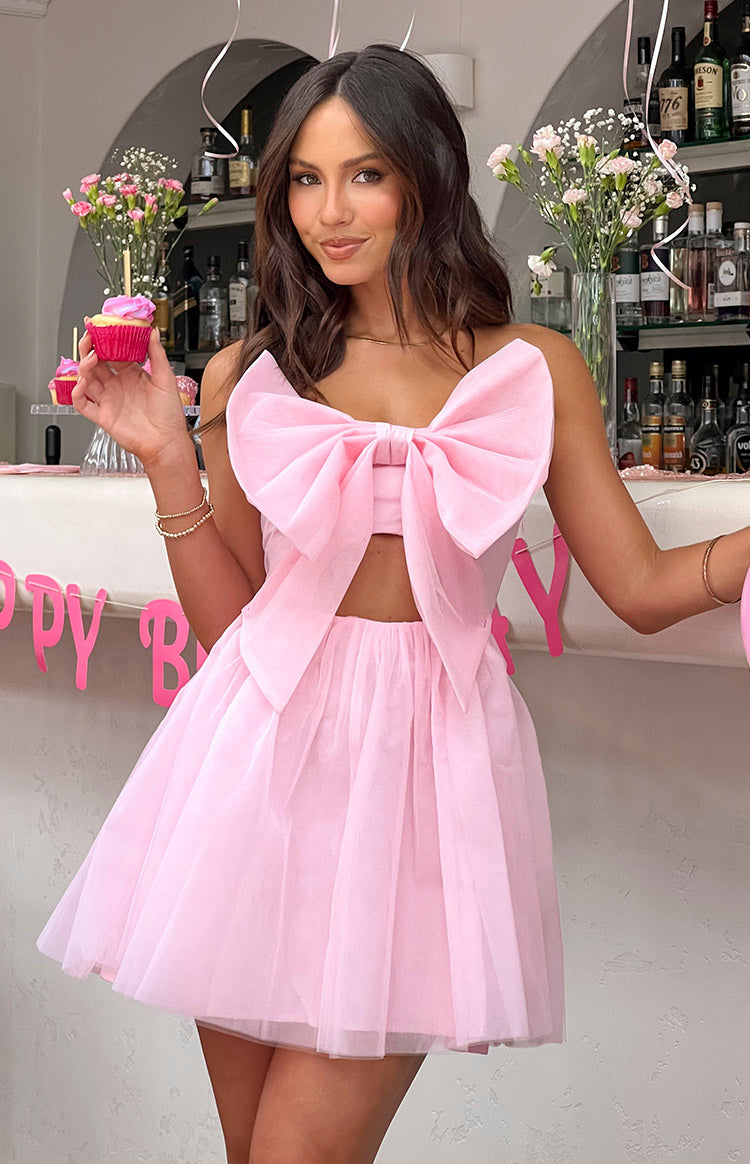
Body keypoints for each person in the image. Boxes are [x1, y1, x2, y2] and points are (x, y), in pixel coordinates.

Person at [36, 42, 749, 1164]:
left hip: (425, 775)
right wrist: (173, 456)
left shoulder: (534, 366)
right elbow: (236, 628)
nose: (330, 211)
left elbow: (644, 587)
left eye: (363, 174)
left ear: (426, 175)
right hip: (251, 764)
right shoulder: (249, 373)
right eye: (305, 181)